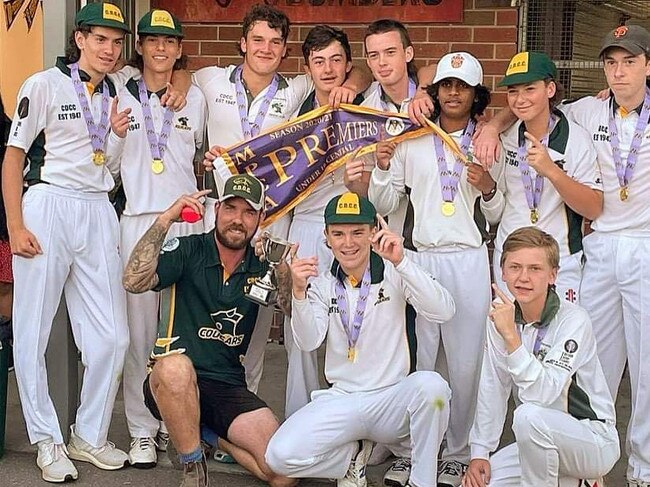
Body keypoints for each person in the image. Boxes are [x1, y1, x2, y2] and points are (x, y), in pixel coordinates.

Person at [198, 4, 370, 397]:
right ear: (242, 43)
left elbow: (351, 70)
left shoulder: (295, 91)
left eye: (275, 42)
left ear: (285, 51)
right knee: (208, 318)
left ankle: (247, 409)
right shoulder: (209, 80)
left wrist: (354, 83)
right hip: (222, 220)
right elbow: (176, 75)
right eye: (257, 39)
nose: (265, 48)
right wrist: (174, 84)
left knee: (257, 324)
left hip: (274, 224)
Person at [2, 3, 133, 482]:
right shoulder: (44, 84)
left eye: (117, 42)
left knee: (113, 337)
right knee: (32, 330)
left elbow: (109, 165)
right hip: (49, 204)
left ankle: (88, 434)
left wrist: (117, 138)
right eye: (101, 39)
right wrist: (15, 226)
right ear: (79, 38)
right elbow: (13, 158)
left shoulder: (118, 91)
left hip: (98, 209)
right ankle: (46, 439)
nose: (109, 49)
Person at [265, 192, 455, 487]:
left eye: (357, 232)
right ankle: (350, 459)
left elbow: (444, 310)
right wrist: (298, 293)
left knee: (434, 388)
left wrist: (402, 262)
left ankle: (422, 481)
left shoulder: (395, 269)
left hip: (390, 399)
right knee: (279, 457)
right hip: (342, 398)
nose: (348, 242)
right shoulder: (323, 282)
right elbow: (307, 341)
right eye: (338, 234)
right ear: (327, 237)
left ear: (372, 233)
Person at [367, 52, 493, 487]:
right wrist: (382, 165)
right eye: (446, 85)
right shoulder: (414, 138)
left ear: (476, 95)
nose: (453, 92)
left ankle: (457, 451)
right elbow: (384, 203)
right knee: (421, 359)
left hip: (470, 258)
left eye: (463, 86)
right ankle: (416, 450)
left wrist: (488, 187)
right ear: (435, 91)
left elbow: (500, 211)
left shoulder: (488, 141)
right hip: (421, 257)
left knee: (465, 361)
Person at [122, 174, 295, 487]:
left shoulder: (261, 264)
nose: (237, 220)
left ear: (259, 219)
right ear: (217, 210)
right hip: (170, 383)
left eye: (248, 212)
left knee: (284, 474)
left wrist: (282, 267)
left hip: (226, 385)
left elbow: (290, 309)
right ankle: (192, 467)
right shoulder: (189, 249)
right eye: (230, 209)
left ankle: (208, 434)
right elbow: (133, 281)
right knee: (175, 367)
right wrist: (165, 220)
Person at [105, 9, 208, 469]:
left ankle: (173, 421)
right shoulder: (120, 89)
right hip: (140, 221)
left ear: (179, 48)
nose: (161, 49)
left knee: (179, 331)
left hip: (187, 220)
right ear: (141, 47)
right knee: (139, 332)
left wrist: (182, 85)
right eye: (152, 41)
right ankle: (142, 431)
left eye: (169, 42)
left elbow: (200, 152)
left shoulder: (196, 97)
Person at [560, 25, 650, 487]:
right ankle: (590, 462)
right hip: (600, 247)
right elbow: (532, 109)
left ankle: (643, 468)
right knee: (593, 359)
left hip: (645, 248)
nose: (618, 72)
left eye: (630, 62)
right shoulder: (589, 108)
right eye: (612, 63)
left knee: (647, 361)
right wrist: (493, 125)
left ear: (648, 65)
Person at [463, 226, 619, 487]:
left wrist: (512, 338)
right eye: (515, 267)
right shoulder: (500, 317)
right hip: (536, 439)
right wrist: (480, 451)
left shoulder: (574, 320)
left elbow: (543, 394)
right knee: (478, 484)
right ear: (502, 272)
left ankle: (584, 476)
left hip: (591, 438)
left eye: (535, 269)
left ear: (553, 275)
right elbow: (493, 386)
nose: (523, 277)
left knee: (528, 415)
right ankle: (580, 483)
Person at [281, 25, 367, 418]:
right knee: (300, 328)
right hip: (304, 223)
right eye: (319, 61)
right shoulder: (294, 109)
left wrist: (358, 82)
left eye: (337, 60)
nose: (328, 69)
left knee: (352, 322)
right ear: (308, 68)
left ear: (348, 65)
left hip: (349, 229)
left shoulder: (364, 108)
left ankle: (350, 417)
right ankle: (302, 418)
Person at [480, 51, 603, 303]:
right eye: (513, 91)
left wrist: (551, 171)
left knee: (559, 338)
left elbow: (594, 208)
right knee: (509, 335)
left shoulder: (576, 138)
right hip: (510, 257)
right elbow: (498, 200)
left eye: (529, 89)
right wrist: (491, 128)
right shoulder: (504, 137)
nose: (520, 99)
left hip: (559, 260)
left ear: (549, 89)